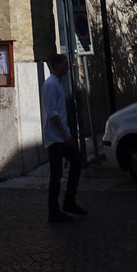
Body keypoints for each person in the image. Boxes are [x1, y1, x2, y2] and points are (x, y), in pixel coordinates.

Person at [42, 53, 86, 222]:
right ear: (56, 66)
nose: (67, 67)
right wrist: (64, 134)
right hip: (55, 137)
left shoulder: (57, 84)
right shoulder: (51, 85)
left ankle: (69, 201)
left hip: (61, 135)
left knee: (76, 162)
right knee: (56, 174)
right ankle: (53, 211)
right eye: (64, 65)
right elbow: (53, 114)